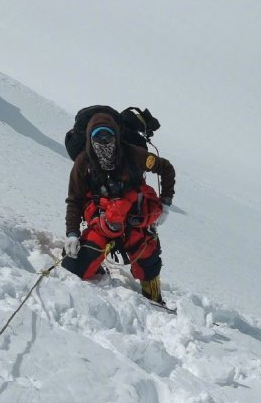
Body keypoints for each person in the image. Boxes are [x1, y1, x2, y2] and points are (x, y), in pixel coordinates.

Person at [61, 111, 176, 304]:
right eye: (98, 136)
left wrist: (165, 203)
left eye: (108, 136)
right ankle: (96, 267)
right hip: (103, 221)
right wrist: (72, 233)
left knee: (148, 259)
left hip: (133, 219)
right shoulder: (83, 163)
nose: (103, 142)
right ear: (90, 138)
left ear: (116, 136)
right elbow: (75, 200)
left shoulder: (133, 153)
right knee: (75, 265)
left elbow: (166, 168)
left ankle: (153, 296)